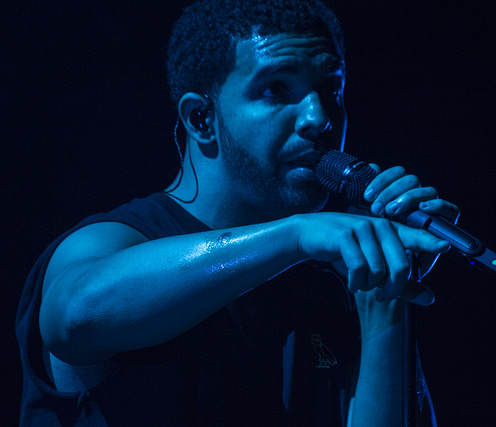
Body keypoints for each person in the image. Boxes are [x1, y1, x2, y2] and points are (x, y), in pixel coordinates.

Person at [16, 0, 459, 425]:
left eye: (331, 89)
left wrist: (386, 289)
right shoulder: (121, 237)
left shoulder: (332, 277)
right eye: (275, 89)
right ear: (201, 118)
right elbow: (73, 317)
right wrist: (294, 235)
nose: (319, 117)